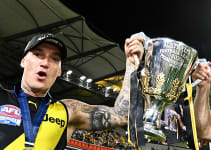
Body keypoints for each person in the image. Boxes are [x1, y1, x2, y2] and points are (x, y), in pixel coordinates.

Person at [0, 33, 145, 149]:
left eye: (54, 59)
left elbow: (124, 114)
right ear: (23, 61)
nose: (45, 63)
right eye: (38, 54)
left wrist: (132, 65)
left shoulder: (70, 111)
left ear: (59, 71)